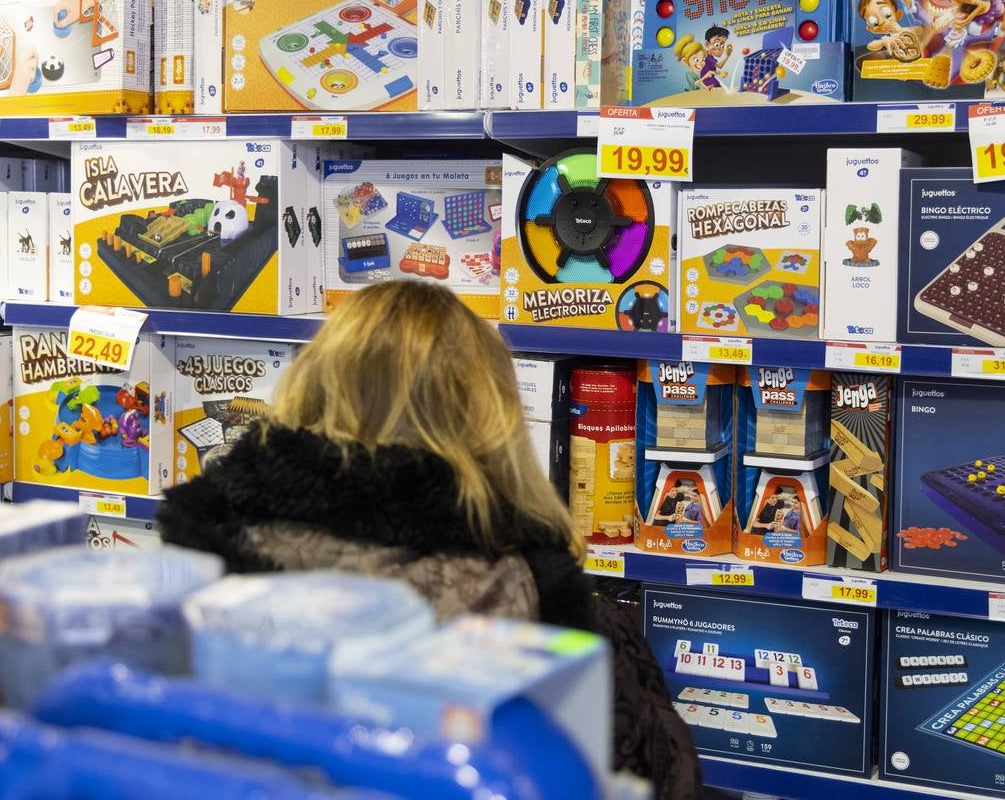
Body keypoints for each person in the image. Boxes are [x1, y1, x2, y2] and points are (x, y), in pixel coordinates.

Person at [158, 280, 701, 798]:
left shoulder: (190, 568)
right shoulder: (547, 607)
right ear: (496, 421)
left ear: (305, 386)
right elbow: (656, 772)